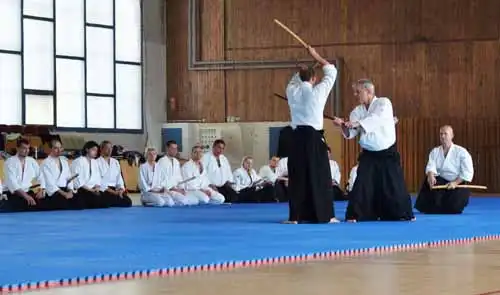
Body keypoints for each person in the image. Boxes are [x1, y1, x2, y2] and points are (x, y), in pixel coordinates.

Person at [333, 79, 414, 222]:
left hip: (387, 152)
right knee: (363, 185)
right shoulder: (357, 111)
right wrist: (343, 125)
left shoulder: (383, 103)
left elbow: (375, 119)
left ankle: (401, 213)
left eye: (358, 92)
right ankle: (357, 215)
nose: (355, 95)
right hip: (369, 154)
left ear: (369, 91)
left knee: (394, 186)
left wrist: (356, 123)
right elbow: (351, 134)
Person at [285, 46, 339, 224]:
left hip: (296, 137)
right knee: (320, 176)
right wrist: (316, 56)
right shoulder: (317, 92)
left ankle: (295, 217)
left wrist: (303, 70)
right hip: (314, 138)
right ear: (315, 79)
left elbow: (296, 80)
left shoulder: (292, 91)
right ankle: (326, 215)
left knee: (298, 176)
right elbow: (331, 72)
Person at [414, 125, 474, 214]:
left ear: (452, 135)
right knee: (428, 206)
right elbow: (431, 166)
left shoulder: (462, 152)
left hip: (458, 183)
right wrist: (430, 176)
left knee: (454, 208)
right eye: (441, 134)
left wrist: (455, 182)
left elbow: (467, 172)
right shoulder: (435, 151)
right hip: (440, 182)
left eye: (445, 134)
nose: (442, 136)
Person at [3, 138, 47, 212]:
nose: (27, 151)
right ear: (17, 148)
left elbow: (41, 176)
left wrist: (42, 189)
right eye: (24, 148)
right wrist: (26, 196)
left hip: (27, 192)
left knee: (44, 203)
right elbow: (12, 183)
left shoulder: (31, 161)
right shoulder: (10, 162)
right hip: (13, 194)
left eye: (28, 148)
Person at [40, 139, 85, 210]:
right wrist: (64, 194)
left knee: (80, 203)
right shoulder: (45, 163)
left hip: (65, 189)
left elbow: (69, 178)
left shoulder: (64, 161)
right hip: (54, 192)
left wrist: (70, 191)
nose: (58, 150)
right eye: (55, 148)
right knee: (63, 204)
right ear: (51, 149)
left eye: (60, 147)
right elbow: (50, 183)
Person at [158, 140, 199, 206]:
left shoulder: (176, 162)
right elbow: (161, 180)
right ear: (167, 149)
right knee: (184, 201)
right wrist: (173, 189)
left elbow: (179, 178)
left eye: (176, 148)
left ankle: (173, 201)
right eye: (172, 148)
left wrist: (181, 188)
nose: (175, 151)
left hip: (176, 189)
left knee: (195, 200)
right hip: (167, 190)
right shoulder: (162, 162)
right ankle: (170, 201)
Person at [71, 141, 109, 209]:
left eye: (96, 150)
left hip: (93, 189)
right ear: (87, 149)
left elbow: (98, 177)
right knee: (90, 201)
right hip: (82, 190)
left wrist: (97, 187)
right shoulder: (78, 161)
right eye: (93, 150)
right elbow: (77, 180)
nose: (95, 152)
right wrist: (91, 190)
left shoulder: (94, 162)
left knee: (105, 203)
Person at [97, 141, 132, 207]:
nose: (110, 150)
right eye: (107, 148)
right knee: (105, 201)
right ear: (101, 149)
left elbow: (119, 178)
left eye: (111, 148)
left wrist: (121, 189)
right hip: (104, 190)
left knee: (128, 202)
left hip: (115, 189)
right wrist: (113, 192)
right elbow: (98, 181)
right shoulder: (97, 162)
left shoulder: (115, 162)